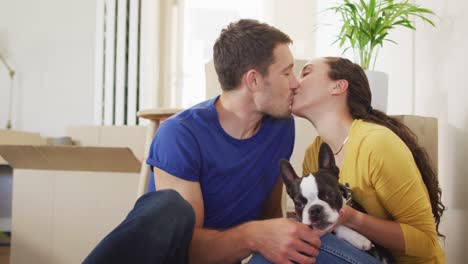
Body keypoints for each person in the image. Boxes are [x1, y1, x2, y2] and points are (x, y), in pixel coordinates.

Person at [290, 57, 445, 263]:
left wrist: (352, 218)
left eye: (306, 72)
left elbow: (426, 243)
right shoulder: (314, 153)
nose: (294, 82)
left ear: (338, 86)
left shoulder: (376, 143)